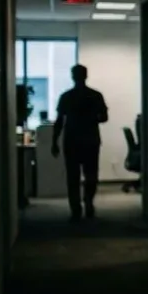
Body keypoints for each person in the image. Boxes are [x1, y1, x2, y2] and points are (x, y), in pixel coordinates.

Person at [51, 64, 108, 220]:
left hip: (72, 140)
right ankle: (88, 203)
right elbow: (104, 118)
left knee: (72, 176)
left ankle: (75, 208)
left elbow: (59, 121)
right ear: (86, 75)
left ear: (73, 76)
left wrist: (54, 141)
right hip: (90, 139)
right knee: (91, 174)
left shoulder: (66, 96)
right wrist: (91, 119)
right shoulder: (96, 95)